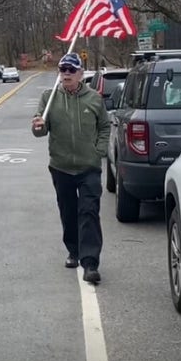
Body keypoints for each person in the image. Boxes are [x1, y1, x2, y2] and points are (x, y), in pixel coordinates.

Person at [31, 52, 110, 284]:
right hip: (61, 167)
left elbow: (104, 127)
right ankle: (73, 251)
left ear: (80, 74)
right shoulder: (49, 98)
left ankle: (90, 263)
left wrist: (99, 150)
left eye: (71, 70)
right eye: (62, 70)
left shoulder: (94, 99)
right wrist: (37, 126)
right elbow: (40, 130)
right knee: (68, 212)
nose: (66, 74)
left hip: (89, 168)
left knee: (89, 212)